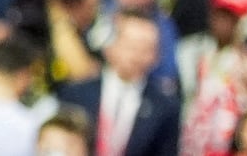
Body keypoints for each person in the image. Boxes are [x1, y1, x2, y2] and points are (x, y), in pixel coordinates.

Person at [56, 10, 183, 156]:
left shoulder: (165, 107)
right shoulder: (76, 94)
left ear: (156, 56)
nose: (136, 55)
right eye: (131, 45)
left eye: (146, 48)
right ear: (110, 46)